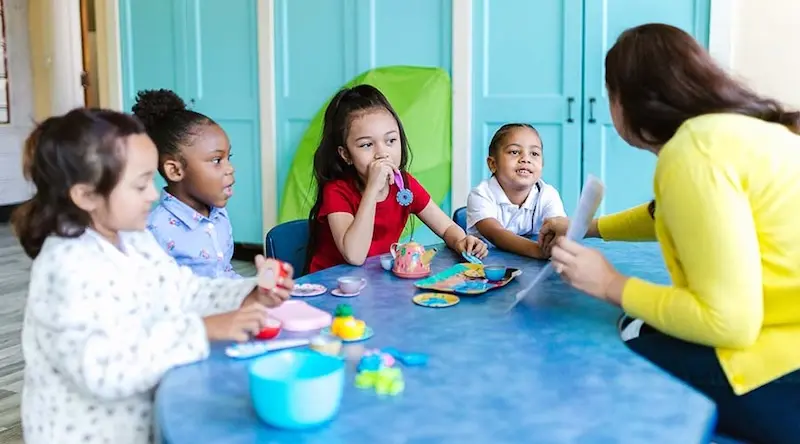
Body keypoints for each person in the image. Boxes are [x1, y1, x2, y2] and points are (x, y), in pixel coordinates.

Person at [539, 23, 800, 443]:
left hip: (779, 370)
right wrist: (592, 228)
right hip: (788, 335)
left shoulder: (691, 153)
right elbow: (671, 213)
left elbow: (728, 322)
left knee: (617, 339)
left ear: (626, 100)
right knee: (641, 321)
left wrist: (610, 283)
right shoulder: (741, 134)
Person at [12, 108, 293, 444]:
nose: (154, 194)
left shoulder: (136, 239)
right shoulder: (66, 266)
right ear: (86, 195)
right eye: (140, 184)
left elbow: (183, 291)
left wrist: (249, 293)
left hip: (142, 422)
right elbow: (102, 368)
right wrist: (201, 330)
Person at [305, 84, 488, 273]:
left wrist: (462, 241)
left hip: (373, 283)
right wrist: (372, 190)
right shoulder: (336, 191)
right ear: (346, 155)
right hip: (330, 286)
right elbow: (355, 255)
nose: (382, 153)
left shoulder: (405, 185)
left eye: (391, 140)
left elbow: (446, 228)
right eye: (367, 145)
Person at [133, 89, 238, 278]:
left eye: (228, 157)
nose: (230, 168)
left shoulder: (219, 216)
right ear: (175, 171)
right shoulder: (154, 231)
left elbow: (225, 274)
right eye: (216, 160)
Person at [466, 123, 566, 258]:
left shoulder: (548, 194)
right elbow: (496, 233)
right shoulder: (480, 195)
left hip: (533, 268)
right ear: (493, 164)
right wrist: (538, 251)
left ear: (542, 165)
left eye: (534, 153)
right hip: (488, 268)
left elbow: (558, 228)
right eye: (514, 152)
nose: (525, 159)